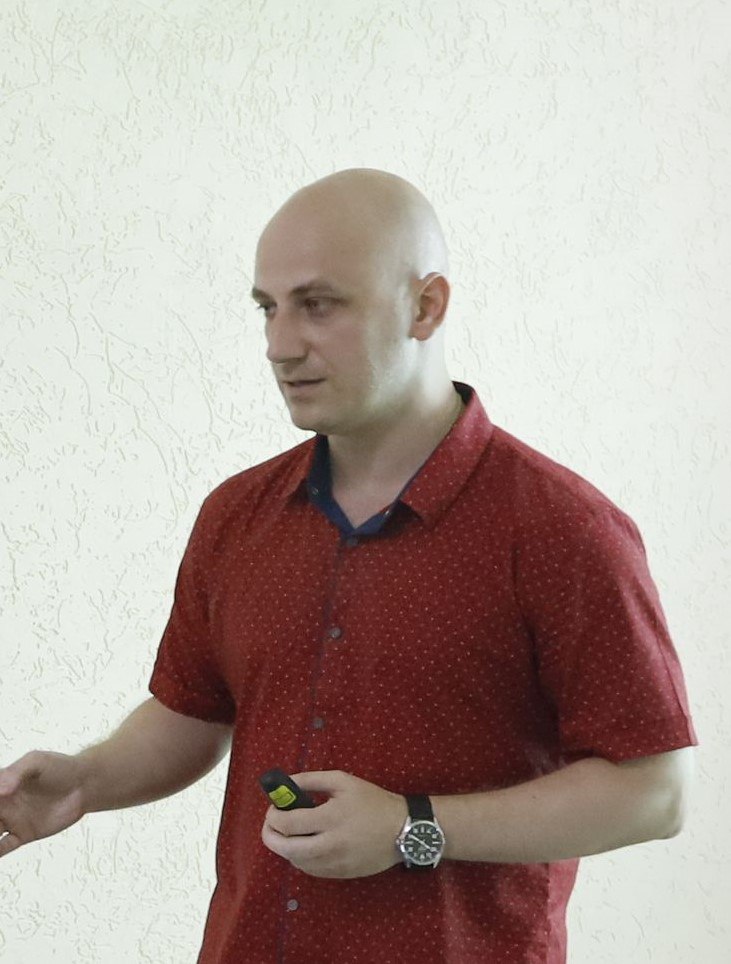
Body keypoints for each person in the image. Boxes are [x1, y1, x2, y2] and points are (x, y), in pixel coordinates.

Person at [0, 168, 697, 963]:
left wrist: (413, 826)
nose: (279, 344)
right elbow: (193, 709)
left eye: (318, 305)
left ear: (425, 306)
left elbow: (652, 792)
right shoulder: (236, 516)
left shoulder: (561, 529)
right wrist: (86, 781)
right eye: (268, 308)